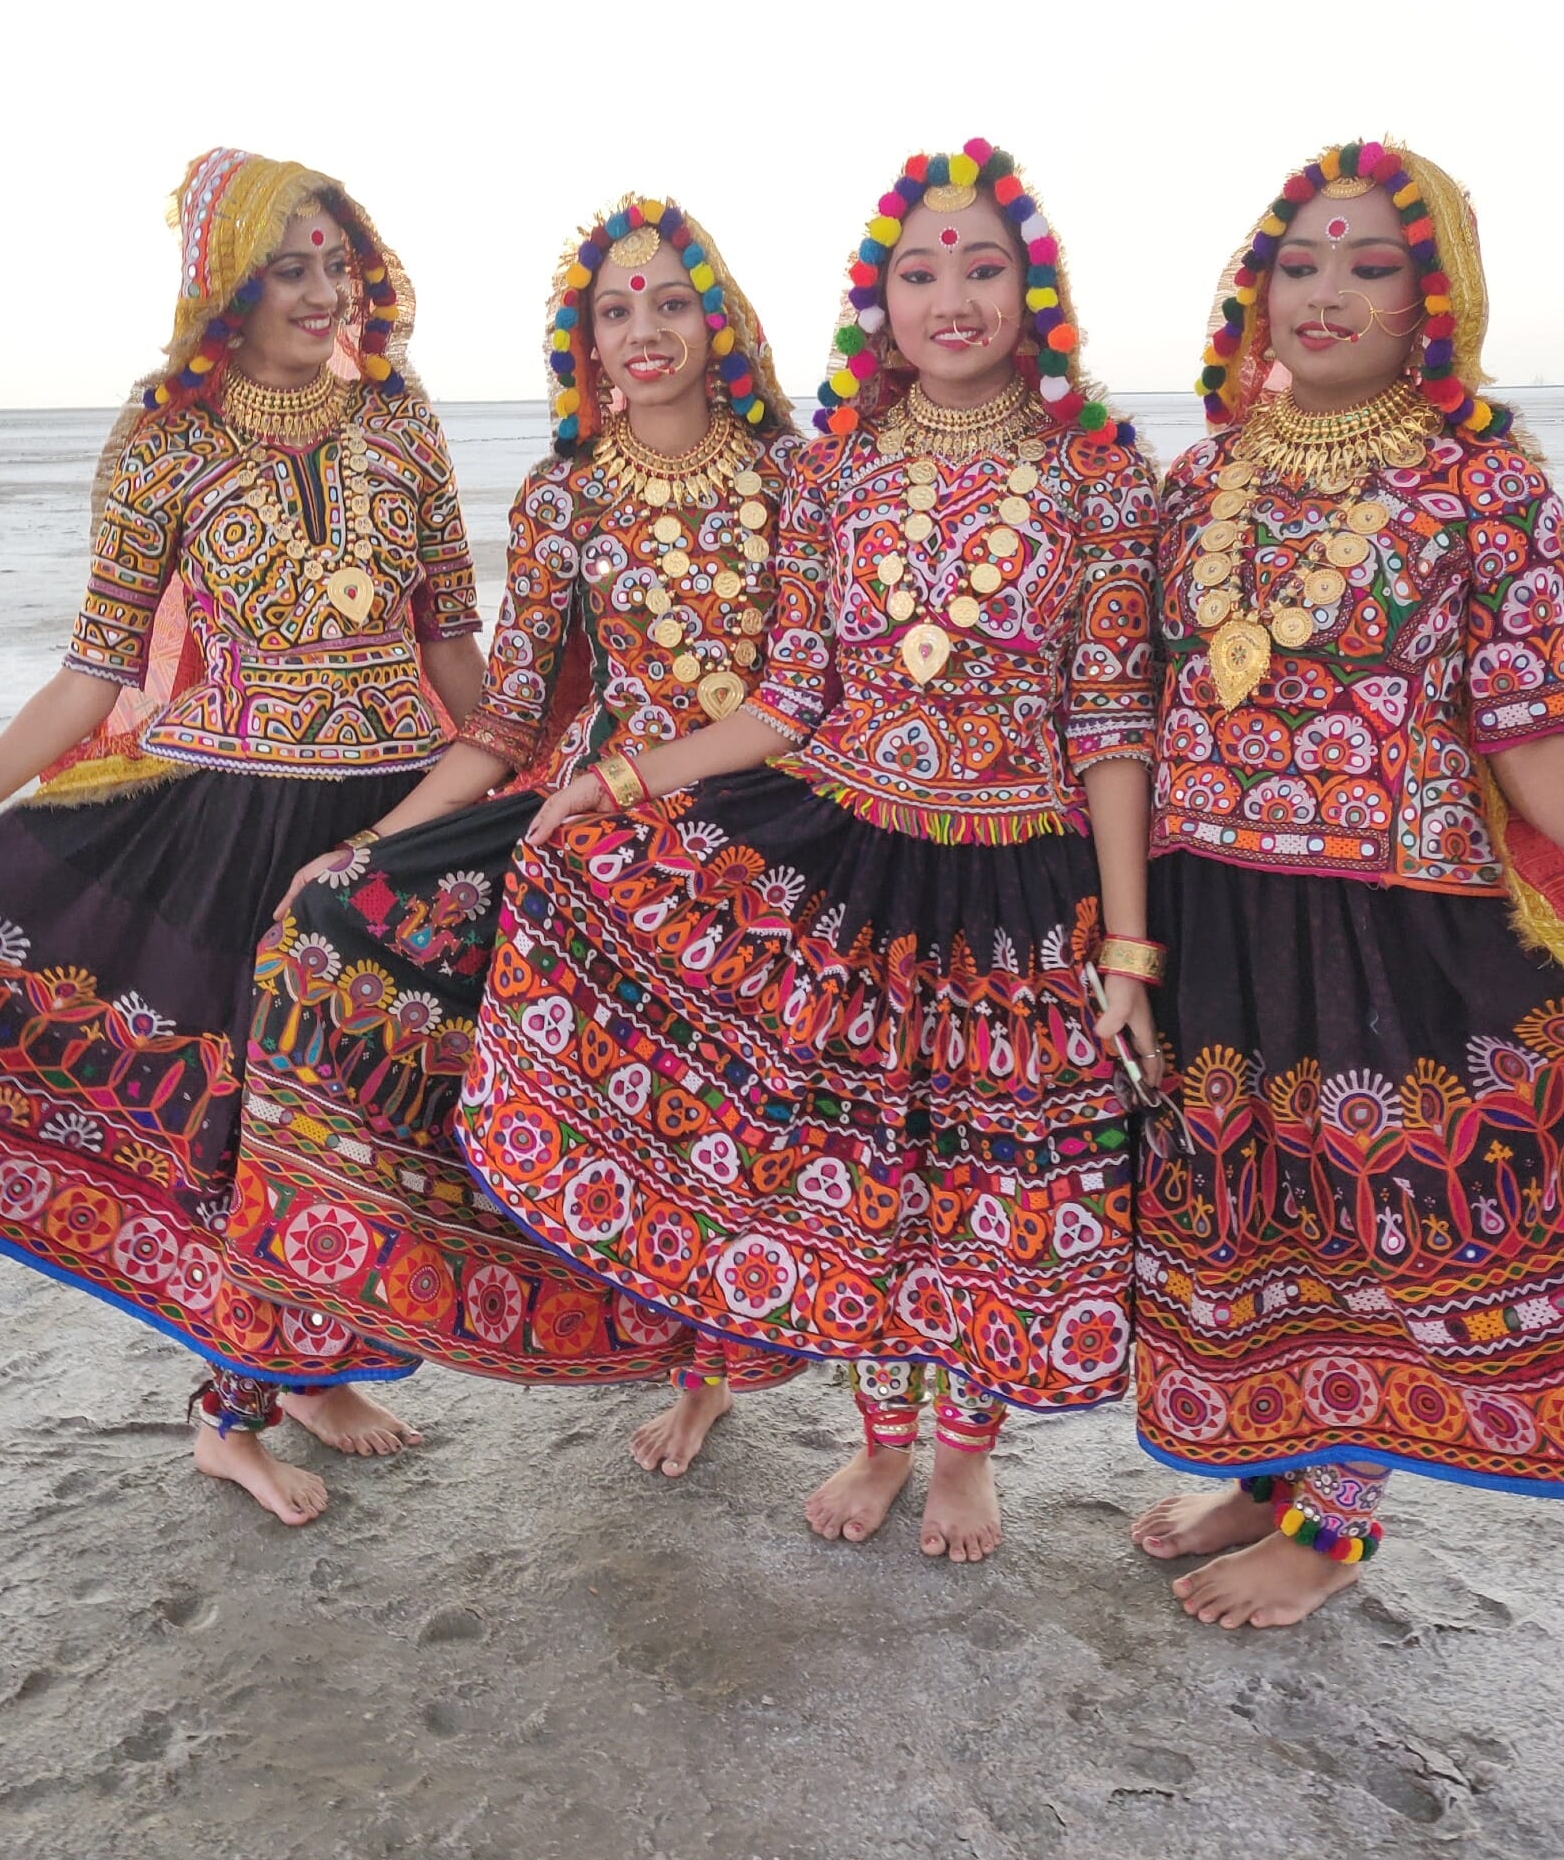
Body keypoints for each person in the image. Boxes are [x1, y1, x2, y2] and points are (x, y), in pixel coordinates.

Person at [0, 148, 484, 1527]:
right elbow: (92, 672)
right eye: (291, 269)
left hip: (391, 826)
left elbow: (453, 644)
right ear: (226, 284)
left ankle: (313, 1368)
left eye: (337, 263)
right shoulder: (164, 434)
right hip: (226, 824)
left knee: (372, 1118)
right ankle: (230, 1418)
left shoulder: (400, 416)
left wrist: (531, 780)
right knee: (243, 1130)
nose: (325, 294)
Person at [458, 141, 1162, 1561]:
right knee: (852, 1160)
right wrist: (613, 782)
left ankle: (968, 1457)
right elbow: (790, 700)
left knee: (998, 1175)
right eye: (918, 273)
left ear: (1036, 287)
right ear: (876, 302)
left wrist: (1132, 946)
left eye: (981, 267)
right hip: (836, 847)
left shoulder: (1100, 474)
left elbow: (1110, 724)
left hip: (1024, 870)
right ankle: (880, 1441)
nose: (950, 298)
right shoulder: (833, 472)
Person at [1126, 139, 1564, 1625]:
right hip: (1215, 904)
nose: (1326, 293)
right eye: (1300, 262)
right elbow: (1137, 704)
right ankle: (1263, 1467)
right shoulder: (1195, 478)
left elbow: (1528, 726)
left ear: (1436, 294)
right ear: (1256, 284)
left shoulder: (1486, 482)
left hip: (1397, 920)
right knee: (1246, 1211)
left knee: (1373, 1226)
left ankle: (1336, 1529)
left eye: (1369, 264)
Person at [221, 195, 808, 1478]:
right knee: (324, 931)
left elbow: (817, 695)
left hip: (766, 823)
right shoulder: (564, 499)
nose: (641, 330)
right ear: (583, 344)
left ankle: (709, 1372)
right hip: (582, 821)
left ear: (719, 321)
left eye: (666, 301)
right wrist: (378, 840)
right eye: (612, 310)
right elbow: (509, 718)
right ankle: (309, 1340)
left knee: (707, 1107)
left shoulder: (799, 482)